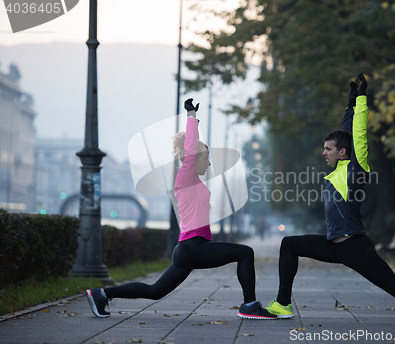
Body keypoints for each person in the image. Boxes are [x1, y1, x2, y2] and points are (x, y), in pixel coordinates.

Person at [265, 74, 395, 325]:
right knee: (289, 244)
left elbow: (358, 134)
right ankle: (282, 304)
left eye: (328, 149)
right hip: (335, 245)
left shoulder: (356, 168)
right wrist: (350, 103)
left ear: (342, 152)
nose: (323, 152)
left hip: (354, 247)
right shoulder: (336, 172)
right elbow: (346, 132)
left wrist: (363, 100)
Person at [86, 99, 276, 320]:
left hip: (188, 248)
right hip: (192, 247)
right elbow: (190, 149)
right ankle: (250, 305)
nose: (209, 164)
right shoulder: (185, 177)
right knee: (245, 253)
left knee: (154, 291)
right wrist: (191, 116)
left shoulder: (194, 182)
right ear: (192, 158)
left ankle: (102, 294)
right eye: (206, 158)